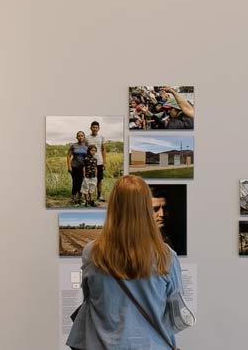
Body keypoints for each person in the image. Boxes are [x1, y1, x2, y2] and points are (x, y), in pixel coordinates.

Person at [68, 176, 194, 350]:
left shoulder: (92, 253)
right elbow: (176, 313)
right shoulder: (166, 256)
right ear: (145, 208)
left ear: (114, 206)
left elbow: (90, 298)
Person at [69, 132, 94, 206]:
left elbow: (90, 156)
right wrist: (69, 166)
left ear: (84, 137)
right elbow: (69, 156)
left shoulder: (87, 146)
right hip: (74, 166)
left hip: (83, 167)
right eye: (79, 136)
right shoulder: (73, 145)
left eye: (82, 136)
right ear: (76, 137)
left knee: (82, 182)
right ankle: (73, 197)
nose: (80, 137)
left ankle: (79, 198)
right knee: (75, 182)